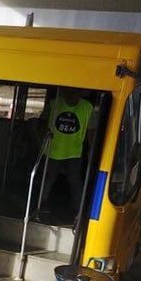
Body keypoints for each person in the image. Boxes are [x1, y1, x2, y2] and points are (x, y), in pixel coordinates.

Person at [39, 87, 93, 221]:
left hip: (74, 152)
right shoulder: (53, 104)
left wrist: (91, 149)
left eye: (73, 91)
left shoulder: (87, 107)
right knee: (48, 179)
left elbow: (91, 131)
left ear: (79, 92)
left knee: (74, 181)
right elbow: (40, 123)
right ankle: (40, 205)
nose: (69, 95)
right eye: (67, 91)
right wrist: (42, 138)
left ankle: (78, 211)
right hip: (53, 150)